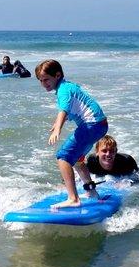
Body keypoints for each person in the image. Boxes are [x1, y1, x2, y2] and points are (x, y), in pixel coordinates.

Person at [35, 59, 108, 208]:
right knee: (77, 159)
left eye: (46, 79)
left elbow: (64, 110)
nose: (44, 83)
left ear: (57, 75)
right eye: (41, 81)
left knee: (63, 157)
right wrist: (56, 123)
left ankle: (73, 198)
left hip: (91, 125)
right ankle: (91, 192)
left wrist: (58, 129)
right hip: (99, 125)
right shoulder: (67, 87)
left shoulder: (63, 90)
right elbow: (74, 108)